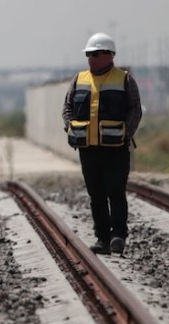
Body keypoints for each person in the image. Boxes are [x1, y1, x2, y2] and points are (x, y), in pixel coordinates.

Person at [63, 33, 143, 255]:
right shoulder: (79, 79)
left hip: (116, 149)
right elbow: (67, 107)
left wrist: (126, 132)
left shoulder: (125, 79)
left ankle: (118, 235)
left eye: (95, 54)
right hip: (88, 150)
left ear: (110, 55)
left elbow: (135, 109)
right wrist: (69, 127)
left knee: (116, 192)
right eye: (89, 54)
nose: (91, 58)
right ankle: (102, 239)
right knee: (96, 195)